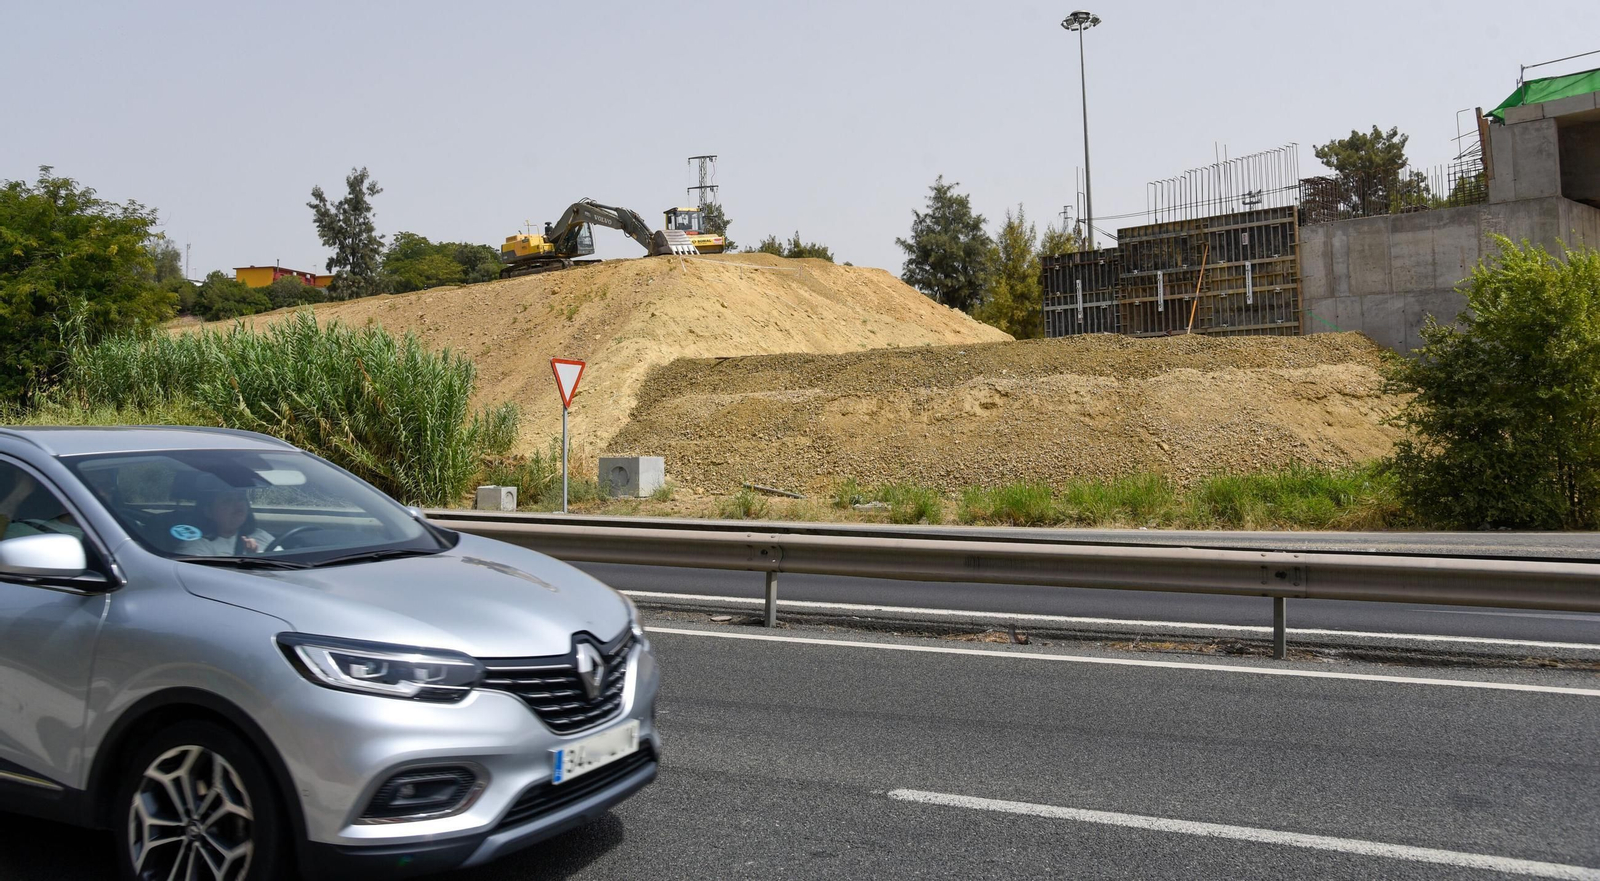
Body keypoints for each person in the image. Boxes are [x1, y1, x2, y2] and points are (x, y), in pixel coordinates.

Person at [179, 488, 273, 556]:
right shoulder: (196, 546)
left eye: (241, 498)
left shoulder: (259, 534)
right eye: (228, 500)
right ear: (208, 511)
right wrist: (252, 561)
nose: (238, 503)